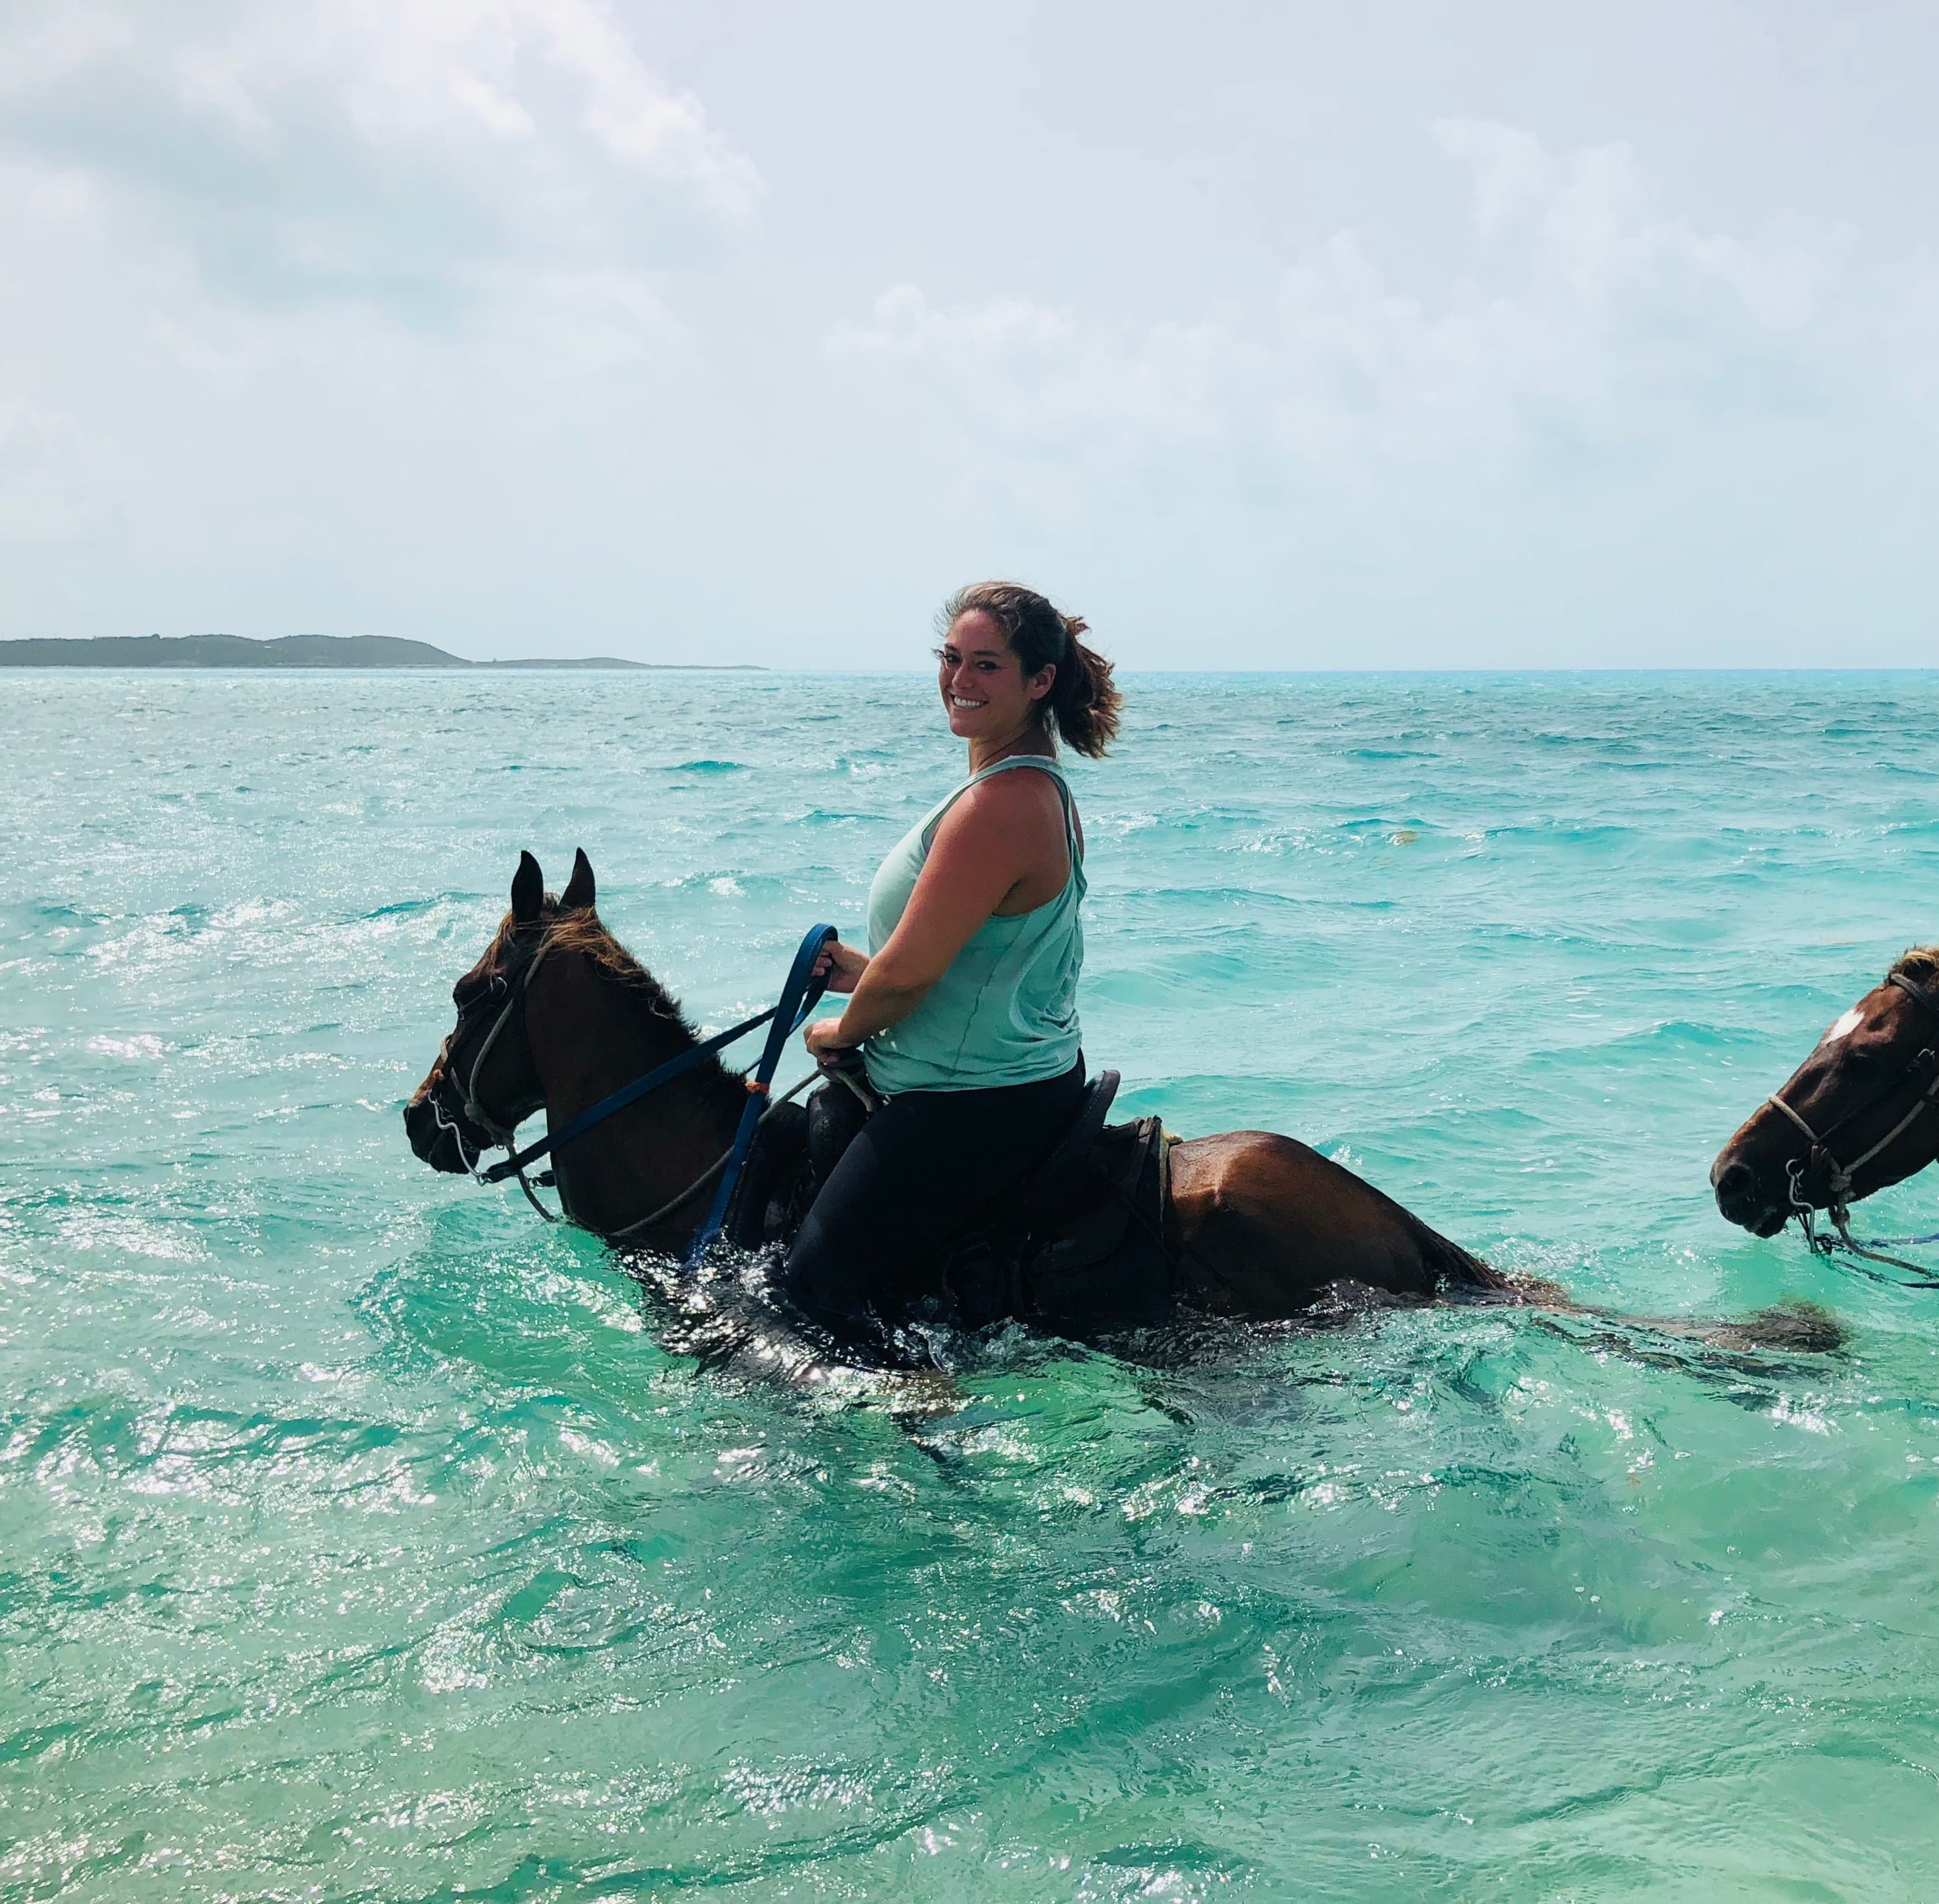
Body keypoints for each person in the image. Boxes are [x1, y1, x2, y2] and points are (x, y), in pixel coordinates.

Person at [785, 580, 1122, 1332]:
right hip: (1013, 1071)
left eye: (986, 665)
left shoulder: (999, 806)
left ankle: (924, 1398)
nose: (959, 679)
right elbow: (975, 960)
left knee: (811, 1288)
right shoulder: (1030, 787)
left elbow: (909, 976)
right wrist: (864, 974)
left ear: (1040, 681)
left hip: (970, 1096)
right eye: (950, 658)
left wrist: (840, 1029)